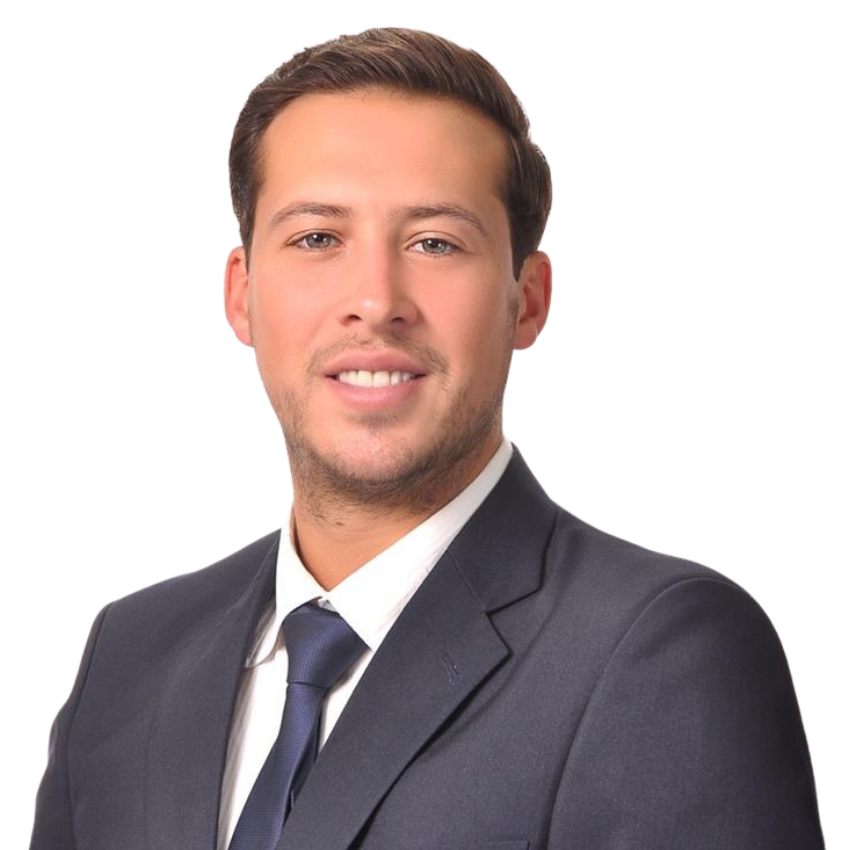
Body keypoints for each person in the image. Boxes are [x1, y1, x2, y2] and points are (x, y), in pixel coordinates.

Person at [30, 26, 823, 850]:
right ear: (241, 294)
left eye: (435, 242)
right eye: (317, 237)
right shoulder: (130, 653)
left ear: (529, 300)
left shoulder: (663, 648)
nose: (376, 301)